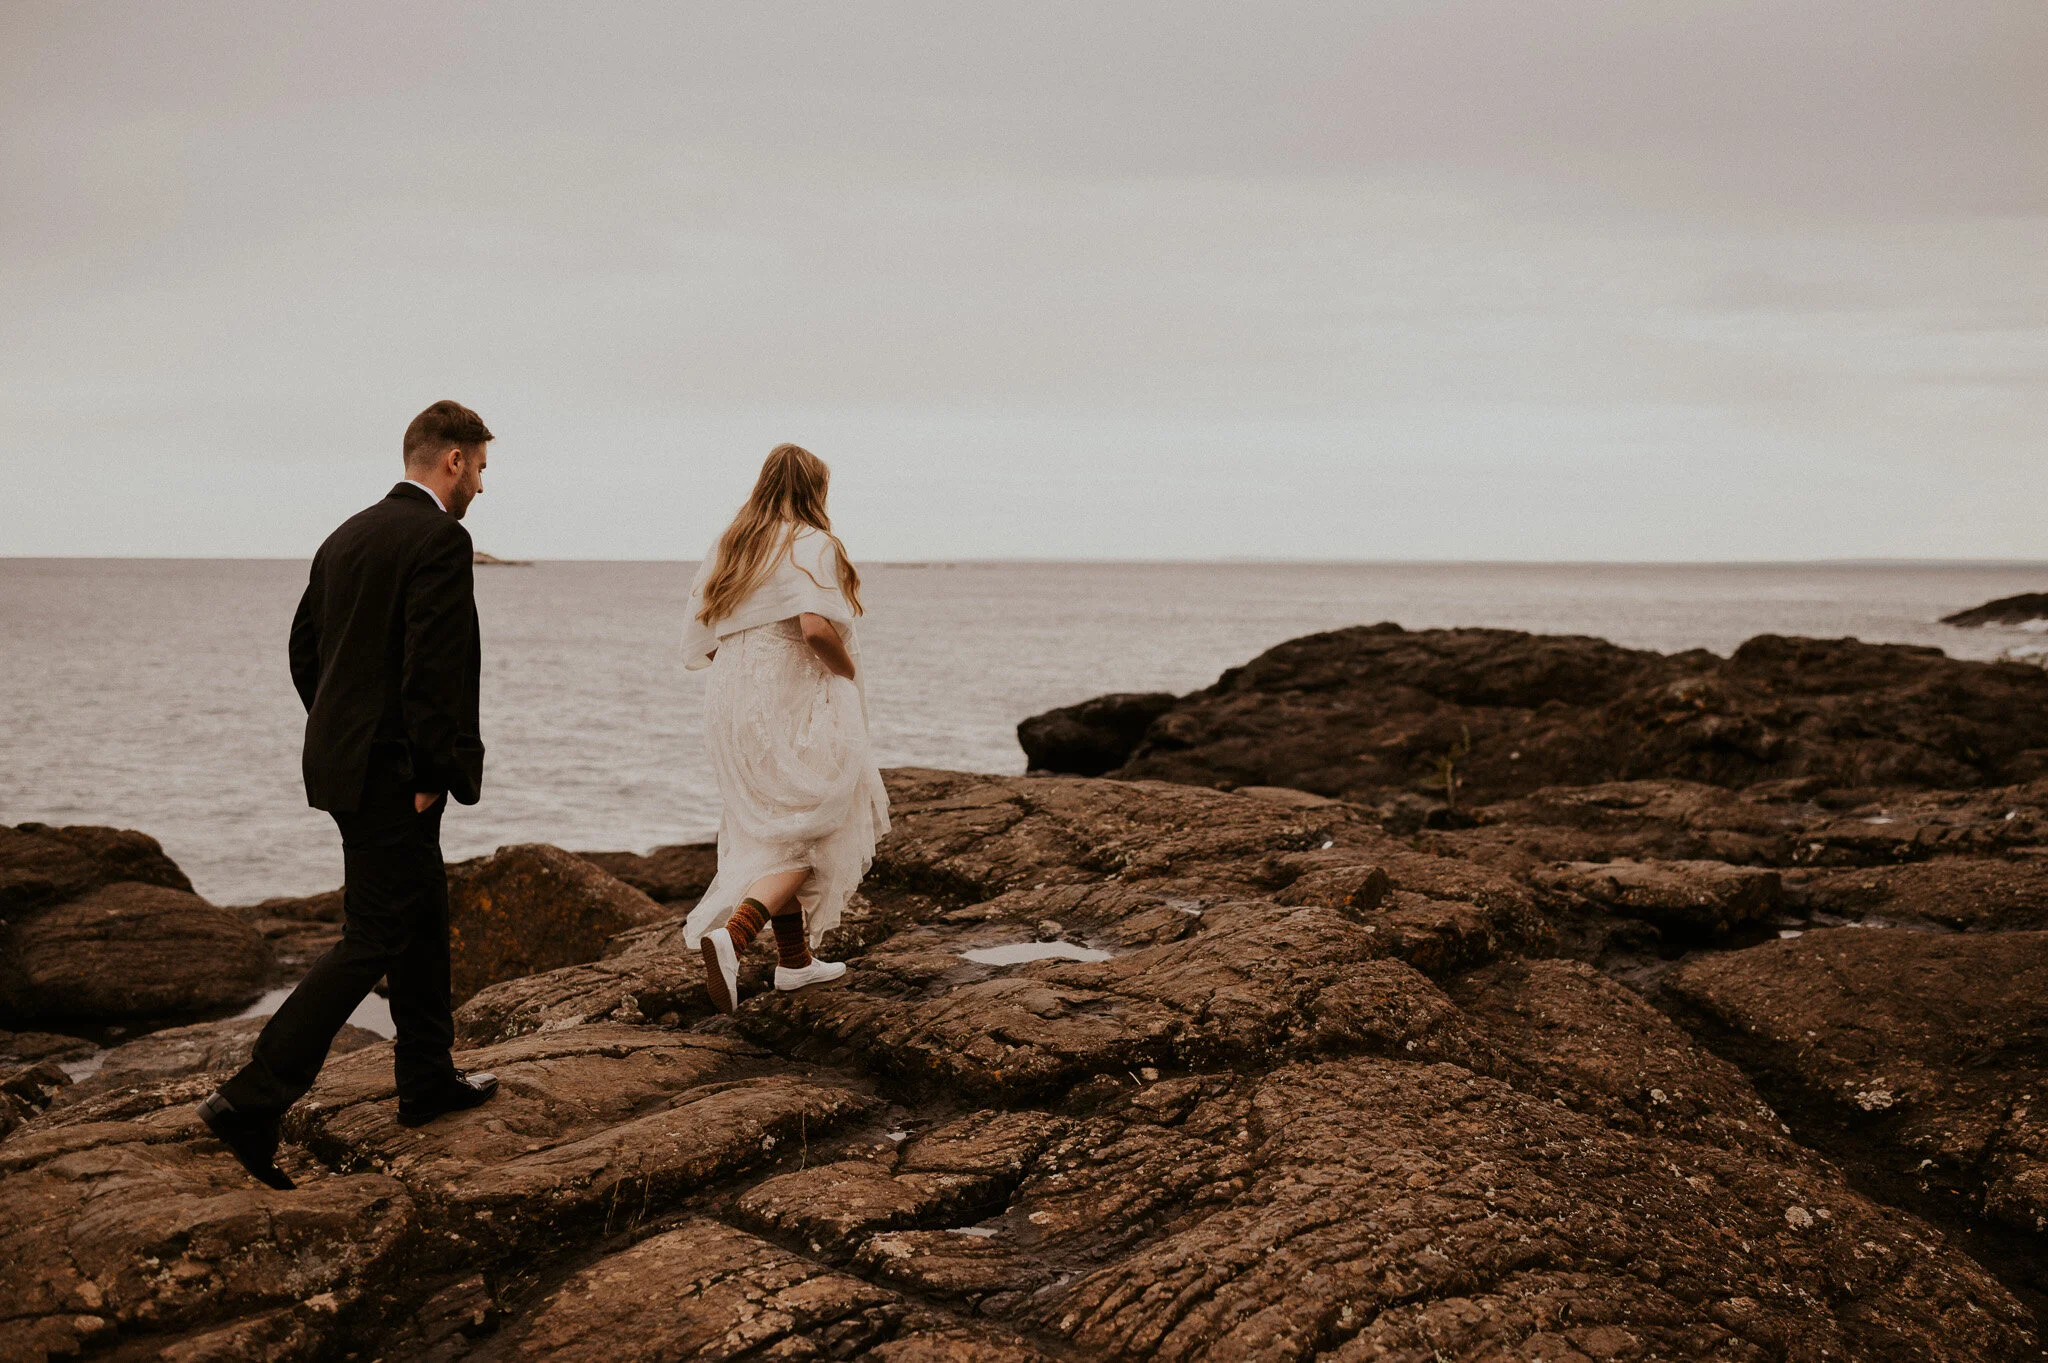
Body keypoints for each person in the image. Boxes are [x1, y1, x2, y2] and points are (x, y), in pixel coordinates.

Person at [199, 400, 500, 1189]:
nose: (481, 487)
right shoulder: (440, 537)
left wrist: (344, 726)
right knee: (372, 937)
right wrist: (428, 772)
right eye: (481, 468)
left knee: (421, 910)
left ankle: (427, 1077)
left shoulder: (345, 535)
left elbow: (306, 651)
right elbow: (433, 667)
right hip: (395, 775)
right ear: (453, 461)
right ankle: (251, 1099)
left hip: (348, 766)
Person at [680, 443, 890, 1012]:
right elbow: (817, 628)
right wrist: (844, 674)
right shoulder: (813, 543)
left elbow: (704, 641)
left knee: (775, 824)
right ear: (814, 491)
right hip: (787, 699)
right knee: (817, 824)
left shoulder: (734, 546)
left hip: (732, 703)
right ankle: (736, 935)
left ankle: (795, 963)